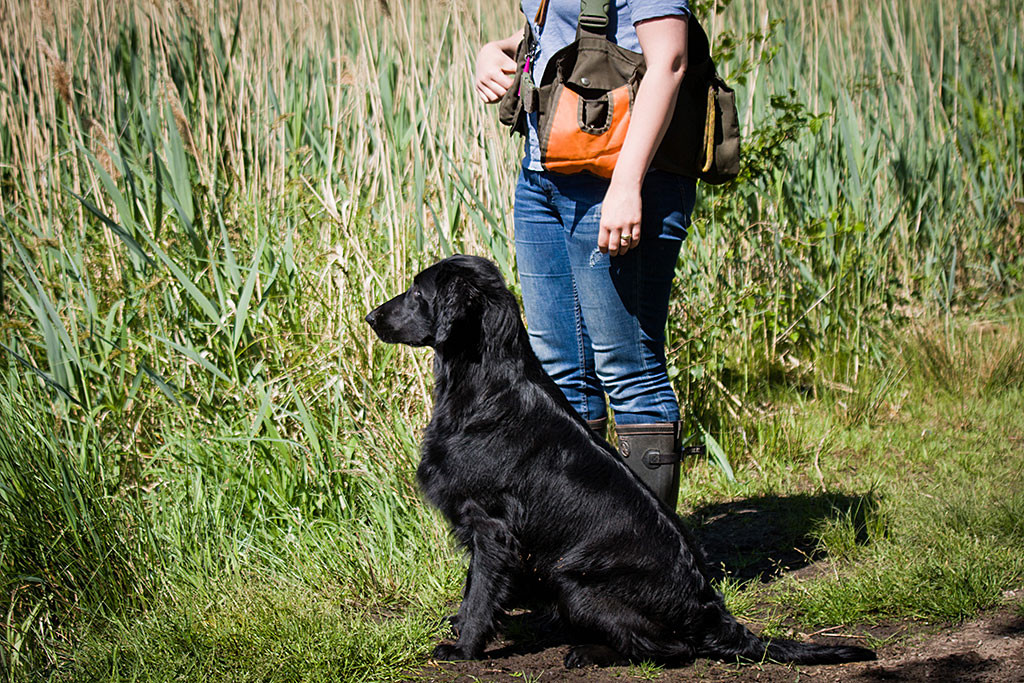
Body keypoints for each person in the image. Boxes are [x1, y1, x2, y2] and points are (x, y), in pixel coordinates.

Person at [475, 0, 696, 509]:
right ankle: (584, 552)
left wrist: (626, 183)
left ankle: (645, 564)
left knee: (628, 366)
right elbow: (560, 31)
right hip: (543, 174)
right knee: (558, 370)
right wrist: (497, 50)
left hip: (619, 179)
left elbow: (670, 59)